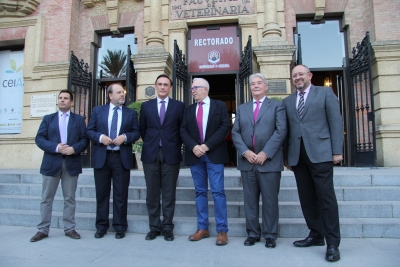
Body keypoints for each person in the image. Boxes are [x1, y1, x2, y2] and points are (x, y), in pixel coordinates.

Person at [283, 65, 343, 262]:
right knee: (307, 199)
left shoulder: (325, 93)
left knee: (326, 198)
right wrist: (286, 157)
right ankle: (316, 234)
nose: (298, 77)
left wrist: (337, 151)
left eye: (301, 74)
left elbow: (335, 122)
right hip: (298, 157)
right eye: (294, 75)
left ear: (310, 75)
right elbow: (287, 131)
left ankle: (332, 243)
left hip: (322, 154)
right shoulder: (288, 100)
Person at [232, 73, 287, 248]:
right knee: (250, 199)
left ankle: (270, 235)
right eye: (252, 84)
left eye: (259, 83)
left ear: (266, 86)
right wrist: (245, 152)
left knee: (270, 200)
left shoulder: (277, 106)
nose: (255, 86)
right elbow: (235, 132)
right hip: (248, 162)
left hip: (269, 162)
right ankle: (253, 233)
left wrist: (266, 153)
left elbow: (281, 131)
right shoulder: (242, 108)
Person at [31, 90, 88, 242]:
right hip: (51, 163)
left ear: (71, 102)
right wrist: (56, 147)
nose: (62, 100)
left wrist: (74, 148)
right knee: (46, 198)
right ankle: (43, 229)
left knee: (69, 198)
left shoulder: (78, 120)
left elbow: (84, 140)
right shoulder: (48, 119)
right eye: (60, 98)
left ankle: (69, 228)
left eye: (66, 98)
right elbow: (39, 139)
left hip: (71, 163)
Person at [180, 77, 230, 246]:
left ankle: (222, 230)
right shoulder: (189, 109)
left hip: (214, 154)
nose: (192, 90)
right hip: (195, 156)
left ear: (205, 89)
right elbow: (183, 130)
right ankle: (202, 228)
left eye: (195, 88)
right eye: (192, 88)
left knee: (218, 192)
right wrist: (194, 146)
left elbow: (224, 127)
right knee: (200, 192)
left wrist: (207, 146)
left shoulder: (219, 106)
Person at [86, 83, 140, 239]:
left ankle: (120, 227)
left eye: (122, 92)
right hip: (102, 157)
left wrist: (126, 137)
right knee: (102, 194)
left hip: (121, 158)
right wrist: (101, 137)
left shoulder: (130, 113)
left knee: (121, 194)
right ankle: (101, 226)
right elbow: (90, 130)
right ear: (110, 95)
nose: (122, 95)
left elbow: (136, 132)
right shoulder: (98, 111)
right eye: (118, 93)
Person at [139, 74, 184, 241]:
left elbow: (181, 129)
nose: (163, 87)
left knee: (169, 192)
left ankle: (167, 227)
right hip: (150, 154)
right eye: (160, 84)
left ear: (170, 87)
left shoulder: (179, 106)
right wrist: (153, 143)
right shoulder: (146, 106)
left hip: (171, 154)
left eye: (166, 84)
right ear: (156, 86)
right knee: (152, 193)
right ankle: (154, 227)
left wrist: (171, 144)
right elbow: (143, 129)